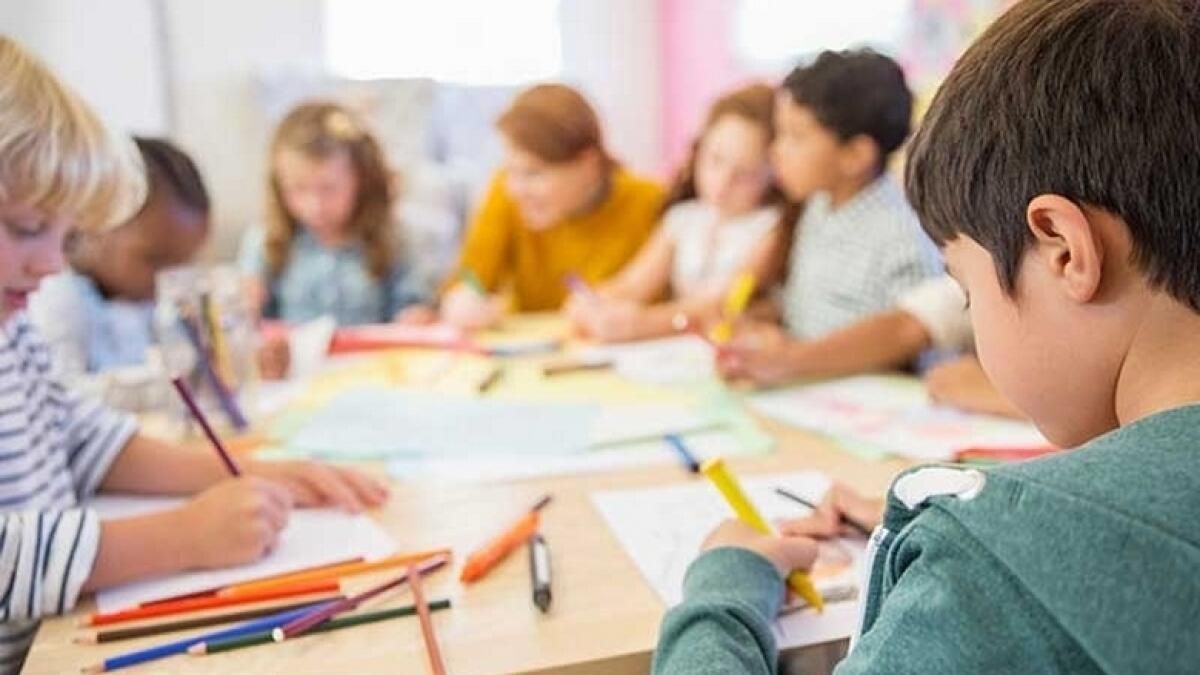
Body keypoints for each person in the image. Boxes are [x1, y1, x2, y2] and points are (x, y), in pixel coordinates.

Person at [653, 1, 1200, 672]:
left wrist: (721, 593)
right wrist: (976, 495)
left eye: (967, 289)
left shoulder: (990, 571)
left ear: (1063, 250)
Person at [0, 38, 388, 671]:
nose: (50, 264)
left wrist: (239, 470)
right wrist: (182, 537)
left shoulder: (11, 328)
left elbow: (80, 436)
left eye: (65, 239)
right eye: (26, 229)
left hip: (52, 636)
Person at [565, 83, 796, 343]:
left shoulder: (771, 228)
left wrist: (642, 324)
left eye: (745, 174)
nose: (722, 182)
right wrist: (594, 302)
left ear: (774, 176)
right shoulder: (683, 220)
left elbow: (727, 302)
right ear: (698, 150)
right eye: (715, 160)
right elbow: (633, 285)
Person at [439, 84, 664, 329]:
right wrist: (462, 301)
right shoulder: (504, 191)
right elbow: (469, 279)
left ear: (588, 164)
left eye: (533, 173)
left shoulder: (650, 203)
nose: (516, 190)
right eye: (510, 170)